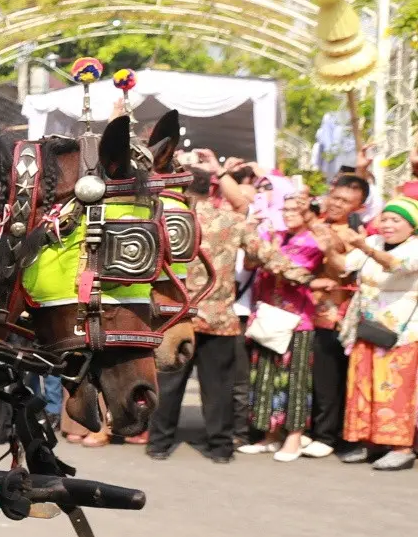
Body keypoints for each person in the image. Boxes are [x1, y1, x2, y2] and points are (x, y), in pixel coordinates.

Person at [147, 159, 315, 463]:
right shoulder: (232, 221)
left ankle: (158, 443)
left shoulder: (163, 222)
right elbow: (266, 256)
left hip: (174, 316)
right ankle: (221, 448)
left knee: (169, 383)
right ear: (211, 188)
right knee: (218, 387)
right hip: (219, 318)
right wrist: (309, 278)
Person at [332, 197, 418, 469]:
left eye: (396, 220)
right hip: (368, 329)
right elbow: (343, 266)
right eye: (385, 218)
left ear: (412, 226)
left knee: (395, 389)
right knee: (364, 386)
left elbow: (396, 266)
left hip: (400, 335)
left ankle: (401, 447)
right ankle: (371, 442)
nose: (388, 225)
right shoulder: (374, 243)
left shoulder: (414, 248)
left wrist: (363, 247)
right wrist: (327, 242)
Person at [241, 191, 326, 461]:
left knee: (295, 381)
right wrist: (256, 236)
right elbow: (250, 261)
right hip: (268, 315)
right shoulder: (276, 236)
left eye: (296, 210)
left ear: (309, 212)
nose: (288, 214)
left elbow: (288, 269)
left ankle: (294, 437)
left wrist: (259, 244)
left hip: (297, 321)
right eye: (286, 209)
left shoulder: (312, 241)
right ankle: (269, 435)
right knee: (265, 377)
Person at [305, 173, 370, 455]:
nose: (336, 204)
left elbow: (342, 269)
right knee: (306, 375)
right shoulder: (316, 224)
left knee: (328, 377)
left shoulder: (356, 235)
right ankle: (307, 428)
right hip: (302, 313)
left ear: (358, 207)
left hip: (332, 315)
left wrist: (329, 245)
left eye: (346, 201)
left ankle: (327, 435)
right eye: (335, 197)